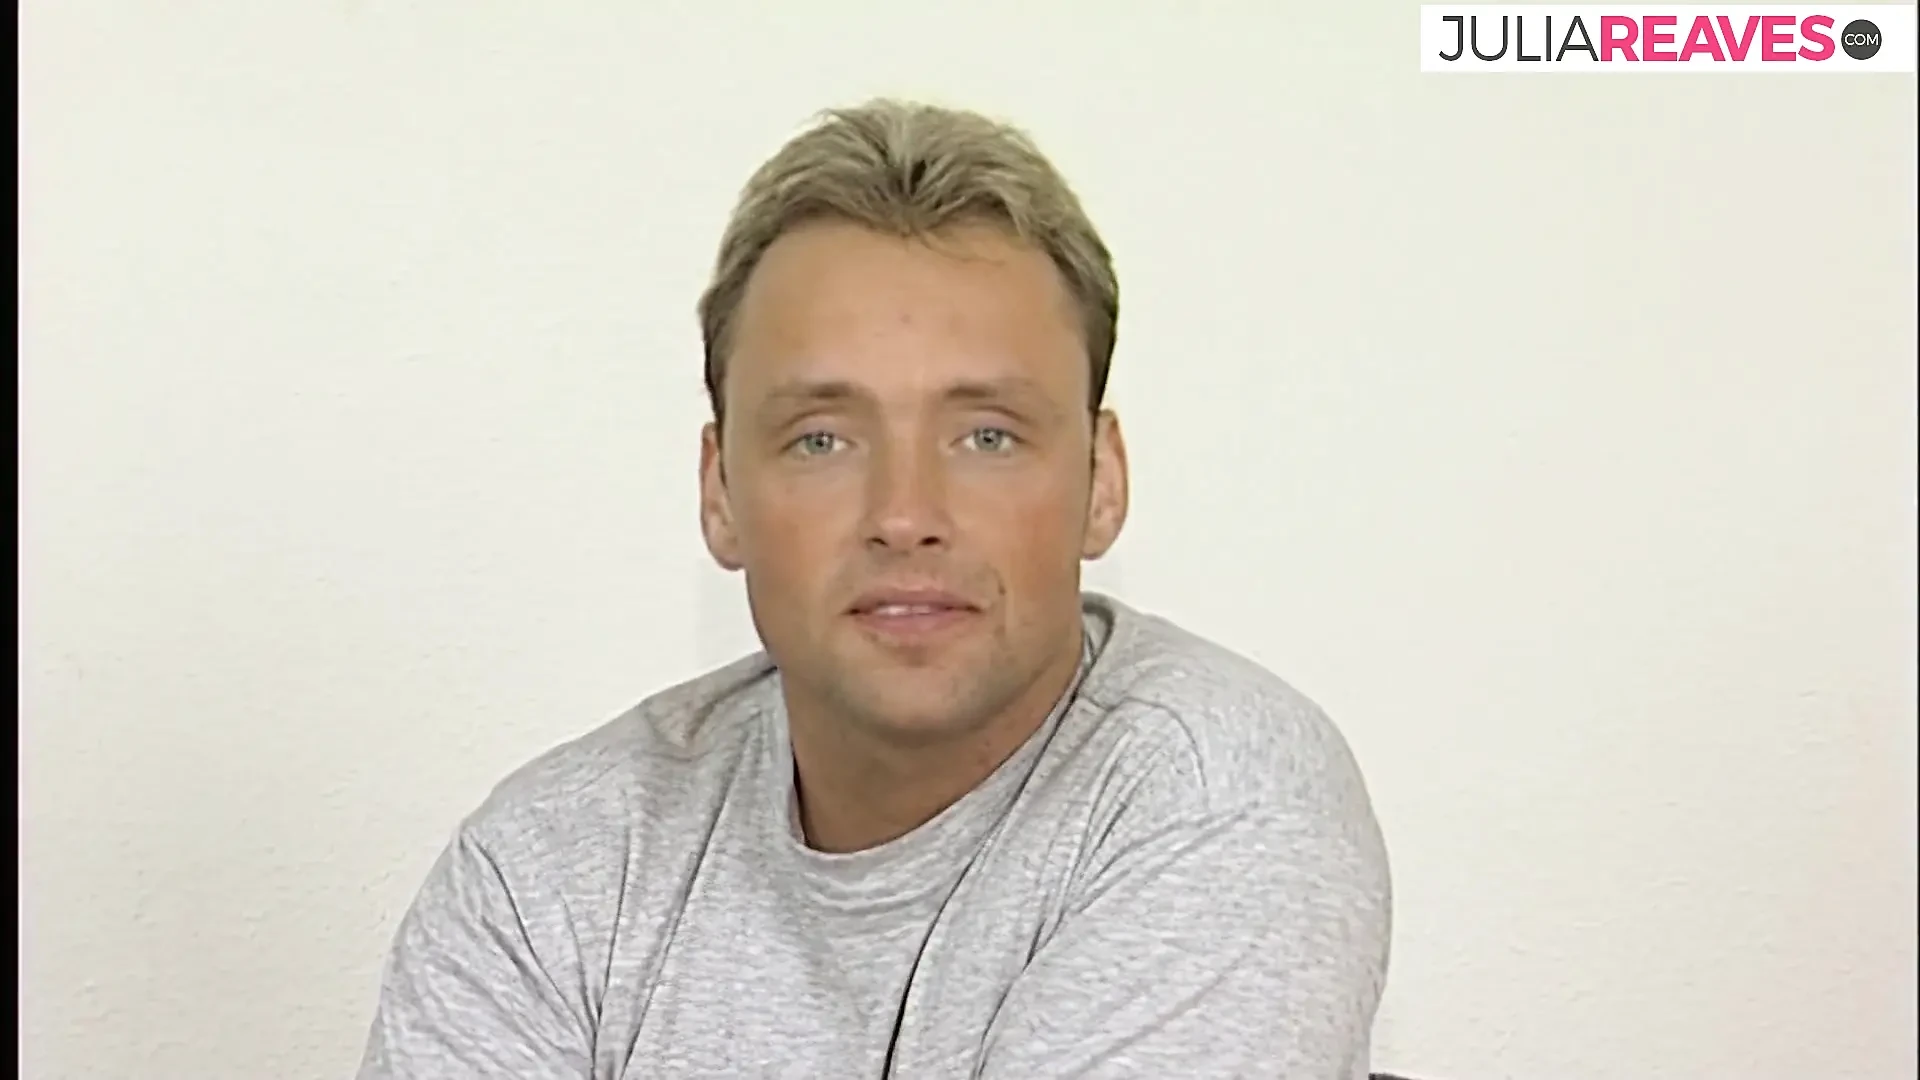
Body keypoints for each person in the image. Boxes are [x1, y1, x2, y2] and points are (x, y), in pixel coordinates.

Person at [357, 98, 1392, 1079]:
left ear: (1101, 482)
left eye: (987, 436)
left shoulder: (1220, 795)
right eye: (822, 439)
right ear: (721, 493)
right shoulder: (551, 867)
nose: (905, 512)